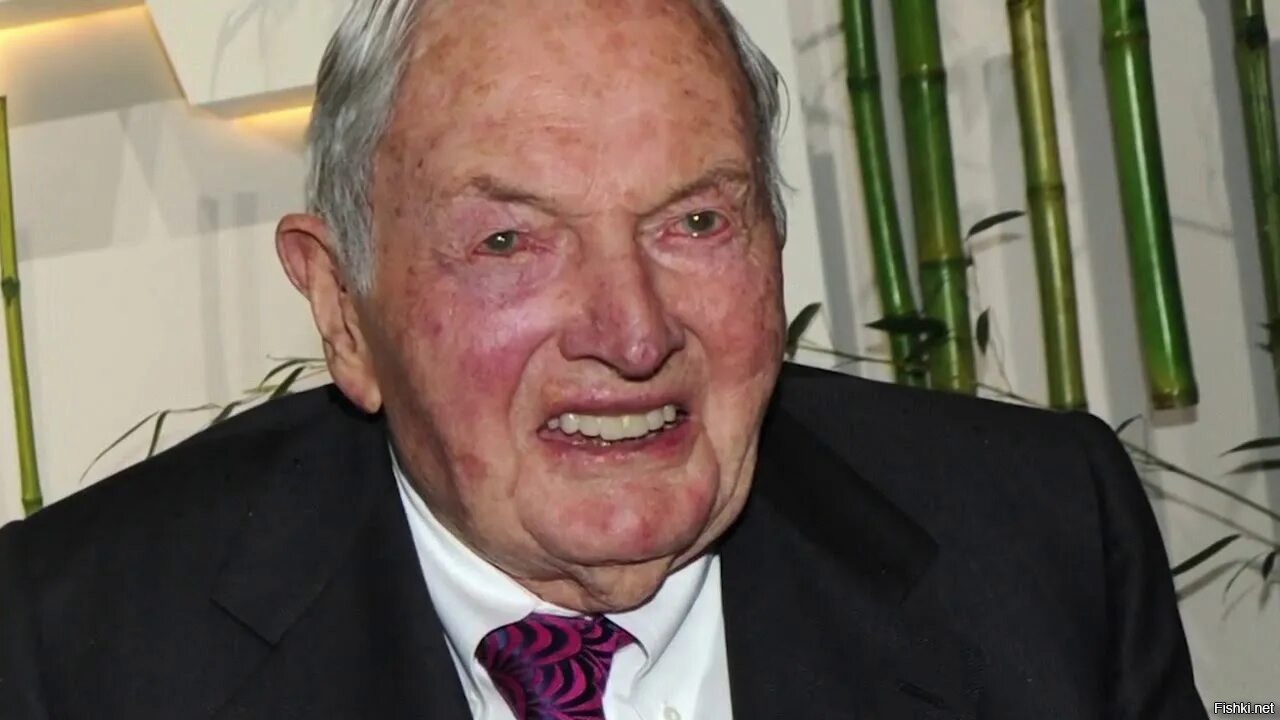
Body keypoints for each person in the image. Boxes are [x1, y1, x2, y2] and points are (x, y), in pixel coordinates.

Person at [0, 1, 1209, 718]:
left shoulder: (1039, 543)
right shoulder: (74, 654)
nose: (631, 335)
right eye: (510, 241)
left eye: (695, 221)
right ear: (342, 313)